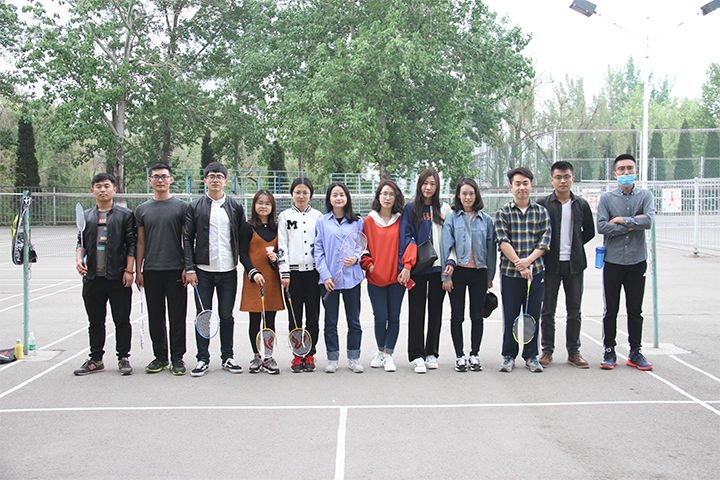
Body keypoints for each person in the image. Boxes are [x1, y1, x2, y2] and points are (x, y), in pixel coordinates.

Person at [183, 162, 246, 377]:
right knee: (203, 315)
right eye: (211, 176)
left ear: (226, 181)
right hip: (202, 271)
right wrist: (189, 268)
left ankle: (228, 356)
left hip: (228, 270)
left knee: (226, 315)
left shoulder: (235, 206)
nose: (215, 180)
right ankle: (202, 359)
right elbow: (187, 238)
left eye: (219, 176)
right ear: (205, 180)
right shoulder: (194, 207)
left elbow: (242, 237)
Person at [596, 153, 655, 371]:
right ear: (615, 173)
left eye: (630, 168)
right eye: (621, 169)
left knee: (635, 309)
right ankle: (609, 350)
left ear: (635, 171)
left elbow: (648, 220)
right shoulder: (607, 198)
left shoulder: (645, 196)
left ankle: (635, 351)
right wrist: (632, 225)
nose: (626, 172)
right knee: (611, 308)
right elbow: (602, 226)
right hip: (613, 260)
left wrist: (622, 220)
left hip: (637, 261)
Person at [73, 173, 136, 376]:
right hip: (93, 279)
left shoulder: (125, 215)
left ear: (114, 189)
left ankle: (123, 357)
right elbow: (80, 242)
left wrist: (129, 270)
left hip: (118, 278)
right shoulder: (87, 216)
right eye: (98, 186)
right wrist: (79, 260)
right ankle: (96, 359)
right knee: (95, 322)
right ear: (92, 190)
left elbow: (131, 244)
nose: (102, 190)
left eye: (106, 186)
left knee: (122, 320)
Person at [536, 161, 595, 369]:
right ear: (552, 180)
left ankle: (574, 352)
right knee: (547, 310)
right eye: (559, 177)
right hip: (550, 264)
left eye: (567, 176)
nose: (563, 181)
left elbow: (589, 232)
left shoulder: (581, 204)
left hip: (575, 265)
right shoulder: (543, 204)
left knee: (574, 310)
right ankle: (547, 351)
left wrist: (575, 245)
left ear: (572, 179)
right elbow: (536, 231)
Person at [494, 166, 551, 373]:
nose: (521, 187)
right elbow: (502, 241)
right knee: (511, 315)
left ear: (531, 185)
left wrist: (528, 262)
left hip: (536, 273)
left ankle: (531, 355)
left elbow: (544, 242)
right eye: (517, 184)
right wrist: (519, 264)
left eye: (525, 183)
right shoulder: (503, 213)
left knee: (532, 314)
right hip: (510, 273)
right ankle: (509, 355)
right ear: (511, 187)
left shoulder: (541, 212)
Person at [135, 163, 189, 375]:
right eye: (156, 177)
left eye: (164, 176)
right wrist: (138, 270)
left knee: (177, 317)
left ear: (171, 180)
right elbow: (140, 242)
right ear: (150, 180)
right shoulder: (142, 209)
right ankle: (160, 357)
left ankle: (177, 358)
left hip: (176, 270)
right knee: (155, 317)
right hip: (151, 271)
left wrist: (187, 267)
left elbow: (187, 240)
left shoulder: (182, 207)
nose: (160, 180)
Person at [398, 168, 452, 373]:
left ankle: (431, 353)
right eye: (425, 183)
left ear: (437, 186)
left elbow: (450, 238)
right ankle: (416, 355)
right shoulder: (411, 208)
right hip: (418, 268)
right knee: (416, 311)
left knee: (436, 311)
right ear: (419, 185)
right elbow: (406, 236)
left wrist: (449, 266)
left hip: (439, 269)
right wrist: (408, 265)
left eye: (432, 184)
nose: (428, 187)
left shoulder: (444, 208)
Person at [441, 178, 496, 373]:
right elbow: (446, 247)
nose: (468, 197)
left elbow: (491, 250)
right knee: (457, 315)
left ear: (476, 195)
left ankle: (474, 354)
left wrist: (490, 275)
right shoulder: (452, 219)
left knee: (477, 316)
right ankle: (459, 356)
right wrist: (446, 277)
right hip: (457, 272)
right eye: (464, 193)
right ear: (458, 195)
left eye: (471, 193)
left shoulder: (486, 220)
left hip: (479, 272)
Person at [361, 179, 411, 373]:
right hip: (376, 279)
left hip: (397, 278)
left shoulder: (402, 220)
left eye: (391, 194)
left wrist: (406, 266)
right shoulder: (368, 221)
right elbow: (362, 248)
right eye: (384, 194)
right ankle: (380, 351)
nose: (387, 197)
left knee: (394, 316)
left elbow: (410, 244)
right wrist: (369, 266)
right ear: (378, 197)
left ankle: (389, 355)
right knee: (380, 317)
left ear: (396, 197)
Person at [315, 182, 364, 374]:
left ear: (347, 198)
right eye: (334, 195)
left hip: (352, 279)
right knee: (330, 322)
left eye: (342, 194)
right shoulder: (322, 221)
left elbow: (362, 246)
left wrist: (356, 258)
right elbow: (318, 250)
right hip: (329, 281)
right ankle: (332, 358)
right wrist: (325, 275)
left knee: (354, 321)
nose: (338, 198)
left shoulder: (357, 221)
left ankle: (354, 358)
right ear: (329, 198)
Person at [277, 177, 323, 373]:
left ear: (311, 195)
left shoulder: (318, 216)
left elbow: (321, 245)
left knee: (313, 316)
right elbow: (282, 245)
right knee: (294, 317)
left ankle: (310, 353)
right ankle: (297, 354)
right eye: (298, 192)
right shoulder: (285, 216)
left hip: (313, 273)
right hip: (293, 275)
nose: (301, 196)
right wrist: (284, 272)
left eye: (305, 192)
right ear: (292, 194)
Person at [239, 190, 284, 374]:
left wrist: (276, 258)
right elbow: (242, 254)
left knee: (270, 320)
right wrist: (253, 272)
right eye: (260, 203)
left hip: (271, 279)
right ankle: (256, 356)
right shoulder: (247, 227)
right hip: (254, 279)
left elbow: (281, 253)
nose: (263, 206)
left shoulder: (277, 228)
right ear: (254, 205)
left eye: (267, 203)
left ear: (272, 206)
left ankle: (269, 357)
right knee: (255, 319)